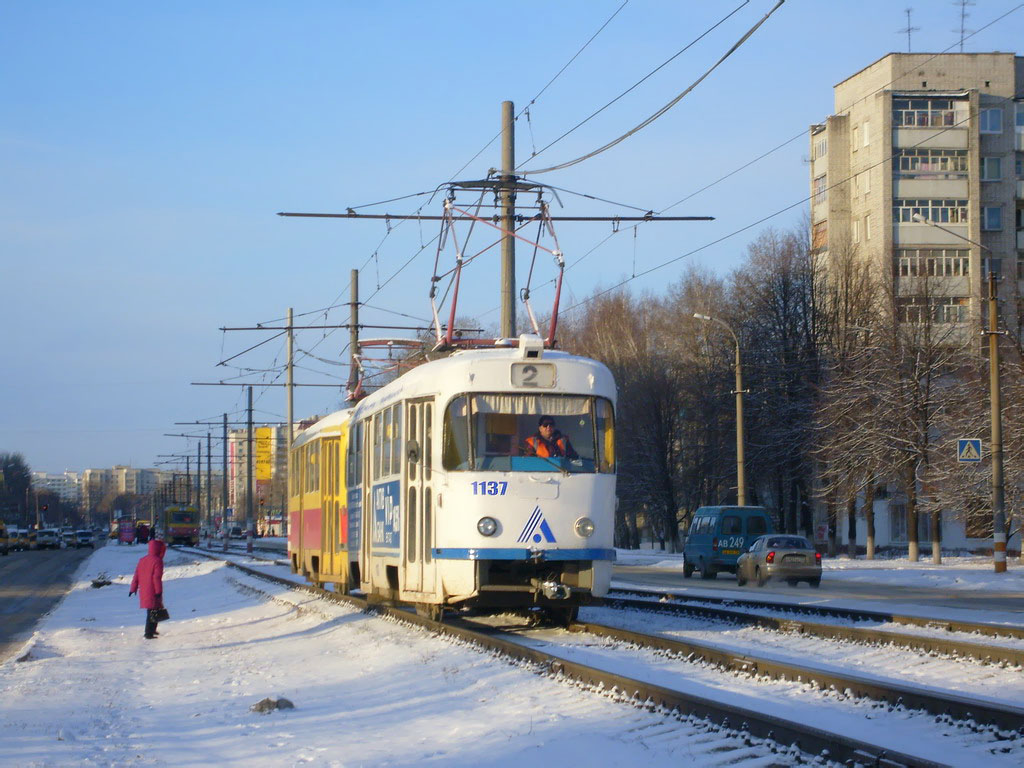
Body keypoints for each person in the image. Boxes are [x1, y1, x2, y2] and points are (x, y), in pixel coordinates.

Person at [129, 538, 166, 639]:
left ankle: (152, 630)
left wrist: (133, 588)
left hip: (144, 589)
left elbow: (136, 575)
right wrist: (158, 591)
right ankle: (148, 633)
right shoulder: (158, 561)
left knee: (153, 610)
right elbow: (156, 577)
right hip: (153, 589)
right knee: (152, 611)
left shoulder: (142, 560)